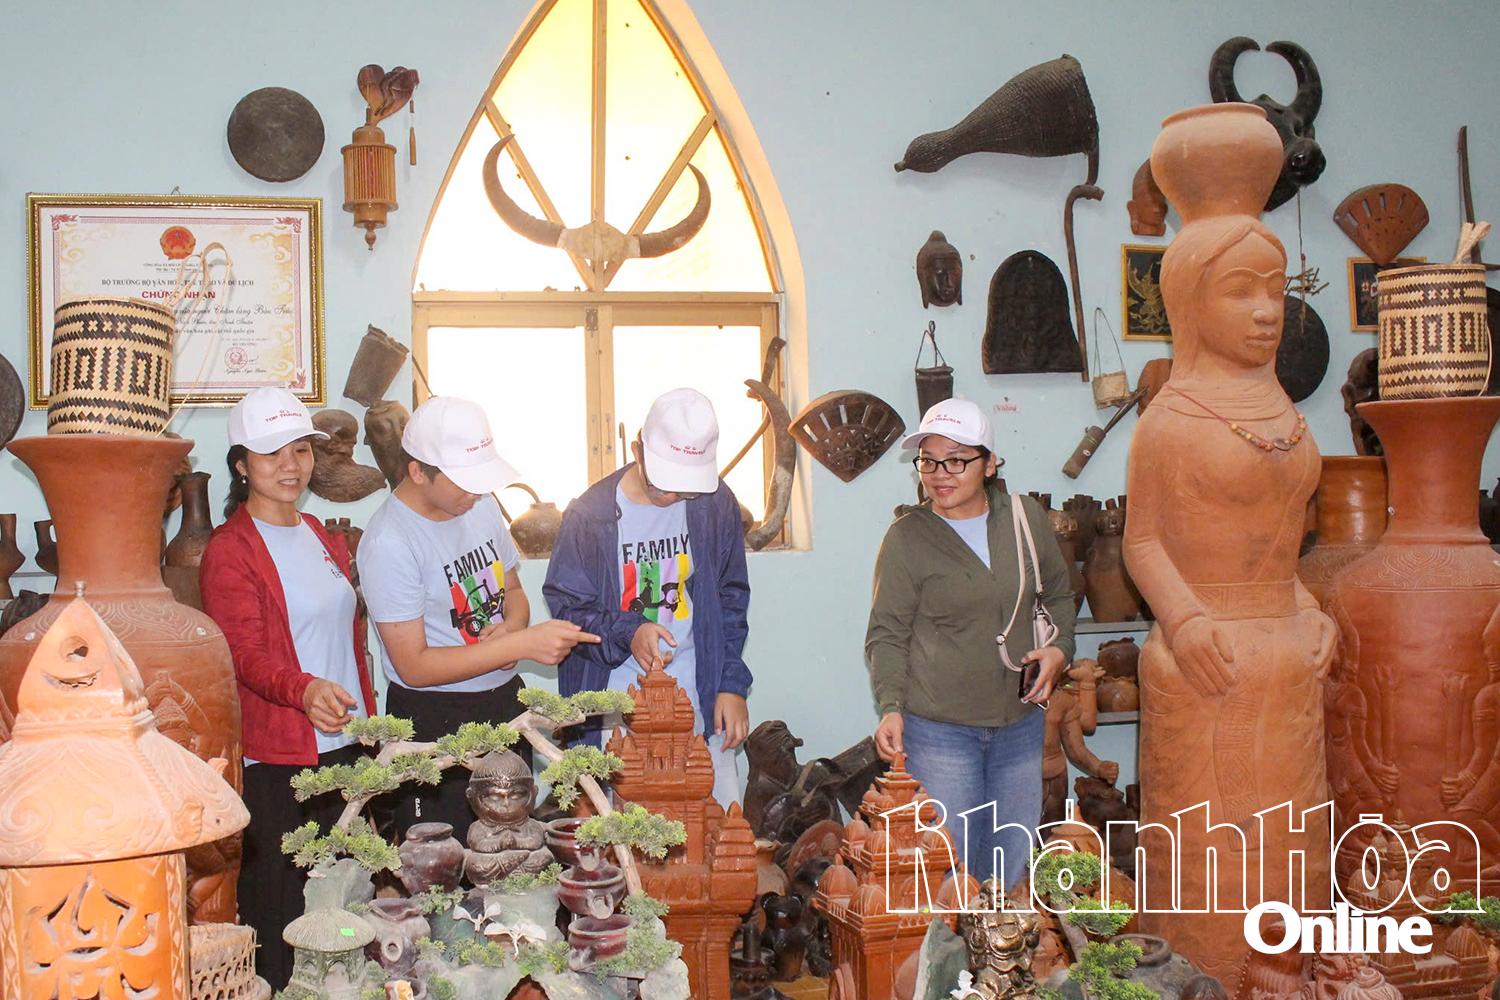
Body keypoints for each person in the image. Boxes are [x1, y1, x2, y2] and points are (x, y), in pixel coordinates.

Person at [199, 387, 378, 989]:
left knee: (346, 904)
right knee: (282, 910)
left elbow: (347, 638)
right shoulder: (230, 550)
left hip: (345, 747)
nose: (290, 465)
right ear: (241, 464)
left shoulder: (321, 535)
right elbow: (242, 654)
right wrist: (302, 691)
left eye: (300, 450)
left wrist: (368, 722)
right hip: (281, 760)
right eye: (271, 453)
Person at [358, 395, 599, 838]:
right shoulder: (389, 542)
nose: (474, 492)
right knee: (441, 859)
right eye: (463, 482)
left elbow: (513, 592)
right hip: (433, 718)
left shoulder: (480, 505)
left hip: (503, 703)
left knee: (514, 846)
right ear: (418, 471)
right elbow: (413, 666)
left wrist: (511, 631)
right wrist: (516, 646)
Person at [864, 397, 1076, 889]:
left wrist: (1060, 649)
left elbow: (1060, 596)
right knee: (951, 869)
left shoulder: (1024, 518)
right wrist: (891, 707)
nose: (940, 474)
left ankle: (999, 944)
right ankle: (952, 945)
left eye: (956, 460)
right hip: (940, 732)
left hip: (1020, 724)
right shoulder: (907, 538)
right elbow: (887, 633)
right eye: (929, 461)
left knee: (1008, 864)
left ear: (990, 463)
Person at [544, 387, 752, 806]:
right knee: (620, 830)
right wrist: (630, 631)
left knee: (714, 820)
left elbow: (730, 597)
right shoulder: (590, 516)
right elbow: (570, 609)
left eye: (685, 490)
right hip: (611, 706)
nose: (673, 498)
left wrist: (731, 685)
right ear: (637, 450)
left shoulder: (714, 504)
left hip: (698, 694)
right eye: (664, 485)